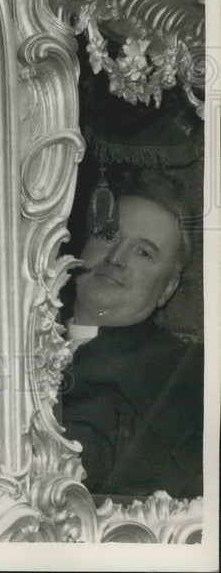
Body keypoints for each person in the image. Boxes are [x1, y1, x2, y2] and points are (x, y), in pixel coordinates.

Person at [60, 173, 203, 499]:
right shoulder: (9, 338)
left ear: (167, 288)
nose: (116, 258)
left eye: (144, 253)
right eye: (108, 236)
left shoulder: (181, 374)